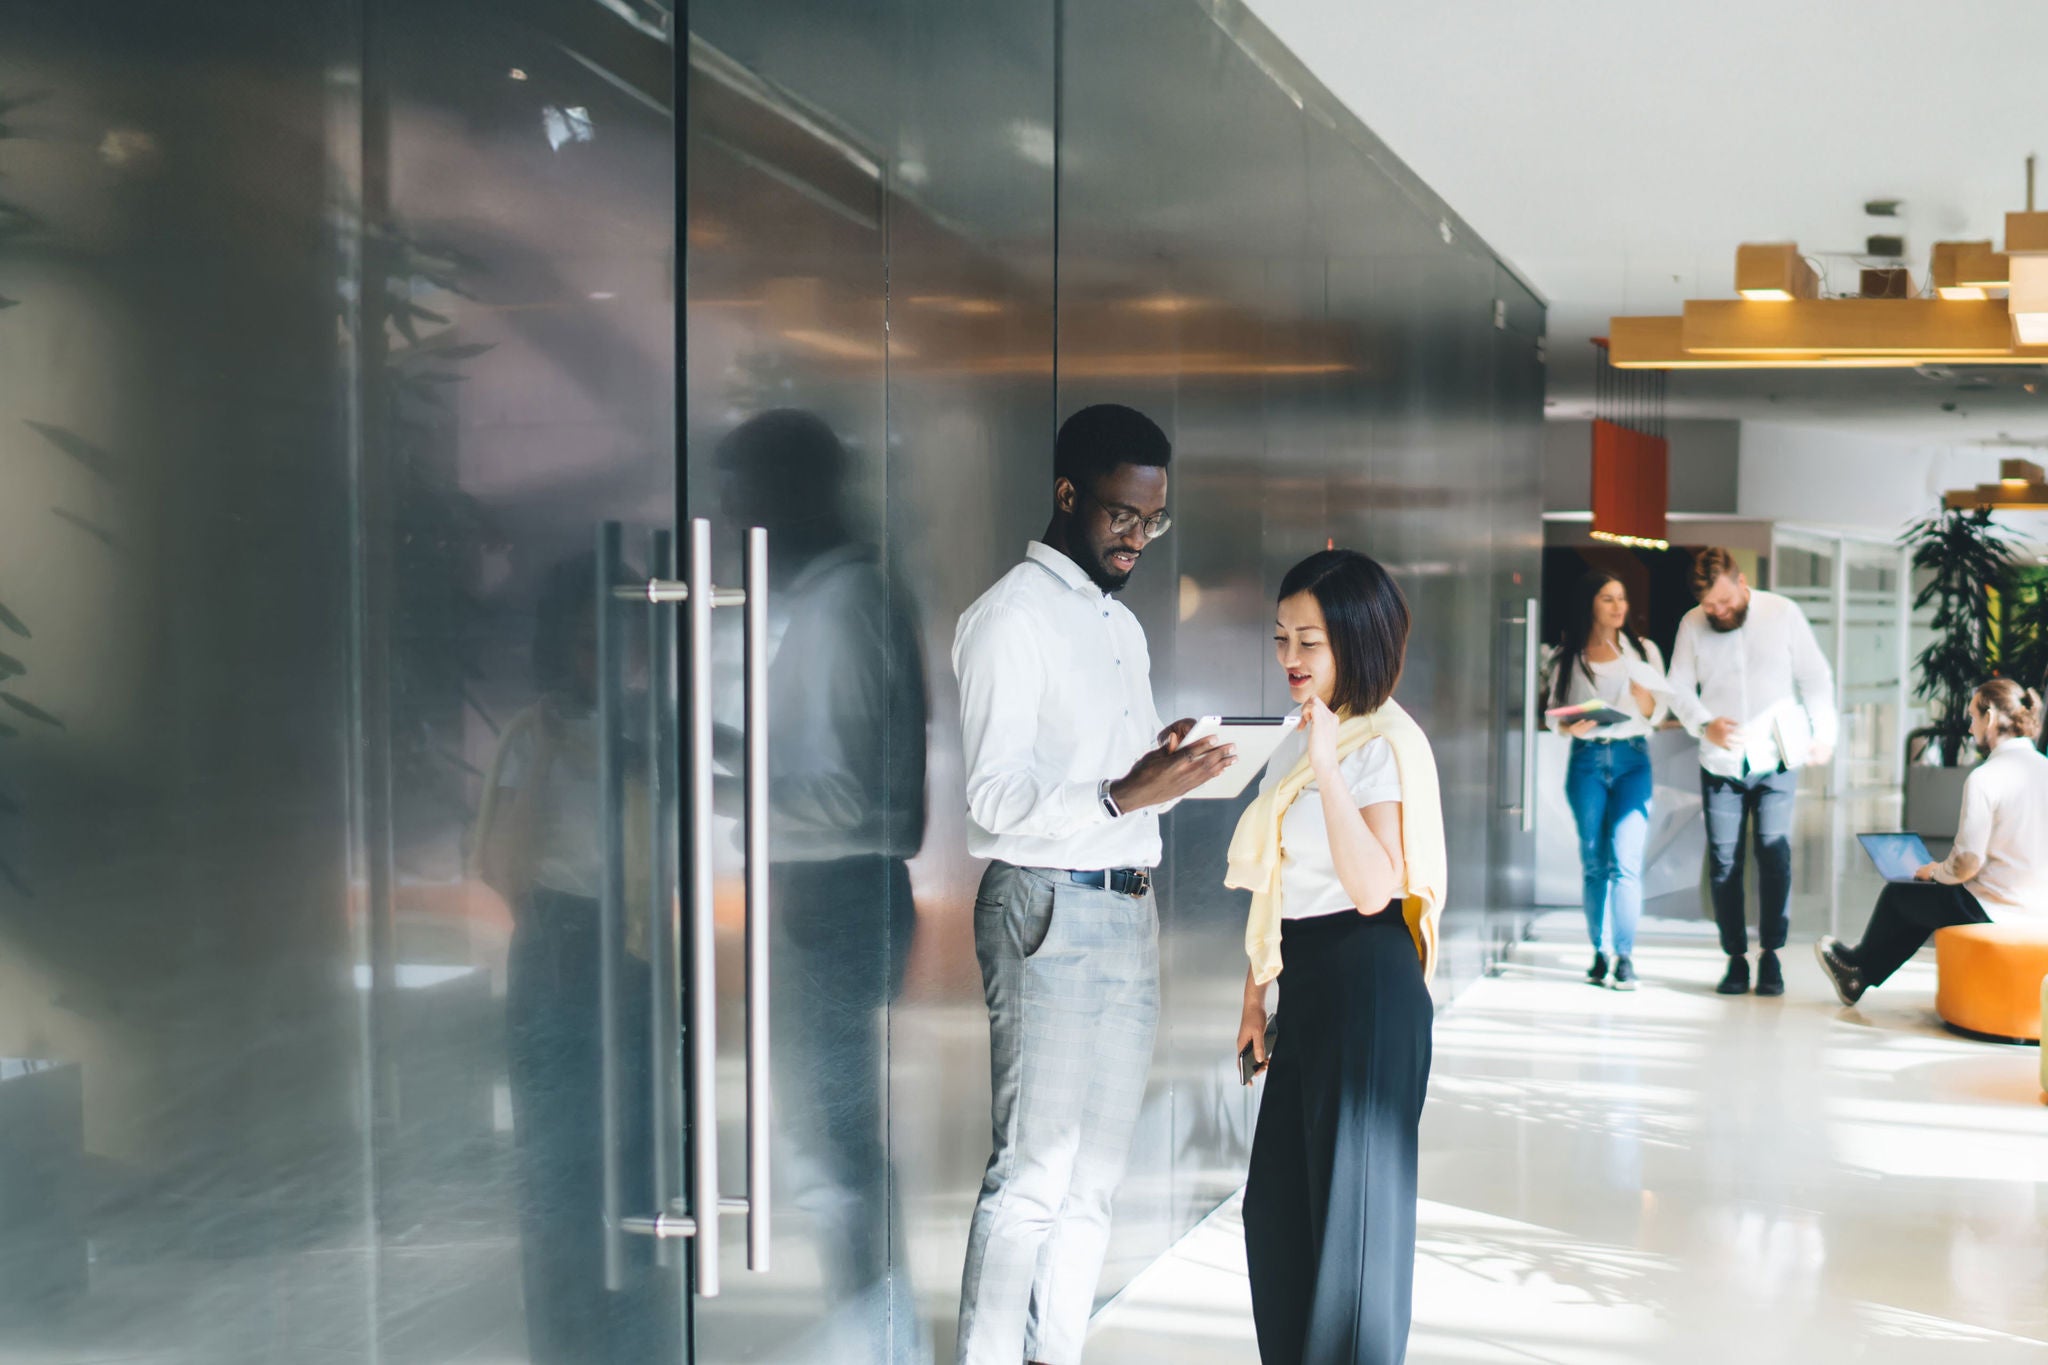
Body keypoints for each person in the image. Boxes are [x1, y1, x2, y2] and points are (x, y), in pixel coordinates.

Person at [952, 403, 1235, 1365]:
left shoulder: (1118, 626)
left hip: (1125, 908)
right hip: (1046, 909)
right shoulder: (1009, 618)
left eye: (1152, 520)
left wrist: (1158, 763)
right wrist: (1121, 792)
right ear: (1067, 494)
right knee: (1032, 1176)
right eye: (1121, 514)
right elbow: (991, 802)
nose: (1137, 537)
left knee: (1094, 1180)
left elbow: (1109, 779)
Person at [716, 409, 930, 1360]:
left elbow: (851, 798)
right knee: (834, 1142)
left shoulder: (846, 603)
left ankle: (878, 1337)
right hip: (840, 895)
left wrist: (718, 781)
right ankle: (878, 1331)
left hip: (836, 896)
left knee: (833, 1149)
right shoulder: (844, 597)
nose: (728, 520)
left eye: (741, 498)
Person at [1228, 549, 1447, 1365]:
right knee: (1278, 1211)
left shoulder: (1379, 744)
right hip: (1312, 977)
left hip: (1370, 979)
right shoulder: (1300, 740)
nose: (1289, 658)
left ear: (1355, 639)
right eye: (1281, 637)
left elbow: (1371, 887)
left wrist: (1327, 765)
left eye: (1309, 641)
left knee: (1354, 1233)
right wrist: (1254, 997)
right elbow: (1276, 882)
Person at [1663, 548, 1836, 997]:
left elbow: (1815, 677)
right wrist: (1705, 723)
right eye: (1711, 607)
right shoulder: (1691, 625)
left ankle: (1772, 955)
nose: (1719, 612)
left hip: (1777, 755)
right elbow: (1677, 685)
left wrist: (1825, 734)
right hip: (1721, 761)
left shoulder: (1783, 613)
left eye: (1726, 602)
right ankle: (1735, 958)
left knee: (1773, 856)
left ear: (1742, 585)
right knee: (1724, 861)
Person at [1815, 680, 2048, 1004]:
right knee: (1928, 902)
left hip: (1998, 908)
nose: (1970, 729)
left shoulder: (1987, 777)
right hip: (2040, 908)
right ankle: (1859, 972)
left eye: (1973, 718)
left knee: (1901, 895)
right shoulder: (2044, 769)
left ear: (1991, 717)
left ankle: (1859, 970)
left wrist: (1936, 871)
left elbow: (1967, 862)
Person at [1546, 572, 1667, 990]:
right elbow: (1554, 713)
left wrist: (1644, 698)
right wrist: (1568, 728)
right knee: (1595, 862)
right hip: (1587, 761)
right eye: (1608, 599)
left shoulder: (1644, 652)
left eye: (1622, 598)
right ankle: (1598, 953)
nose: (1618, 607)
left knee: (1626, 863)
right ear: (1591, 604)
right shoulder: (1568, 655)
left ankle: (1625, 957)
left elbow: (1658, 713)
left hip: (1634, 759)